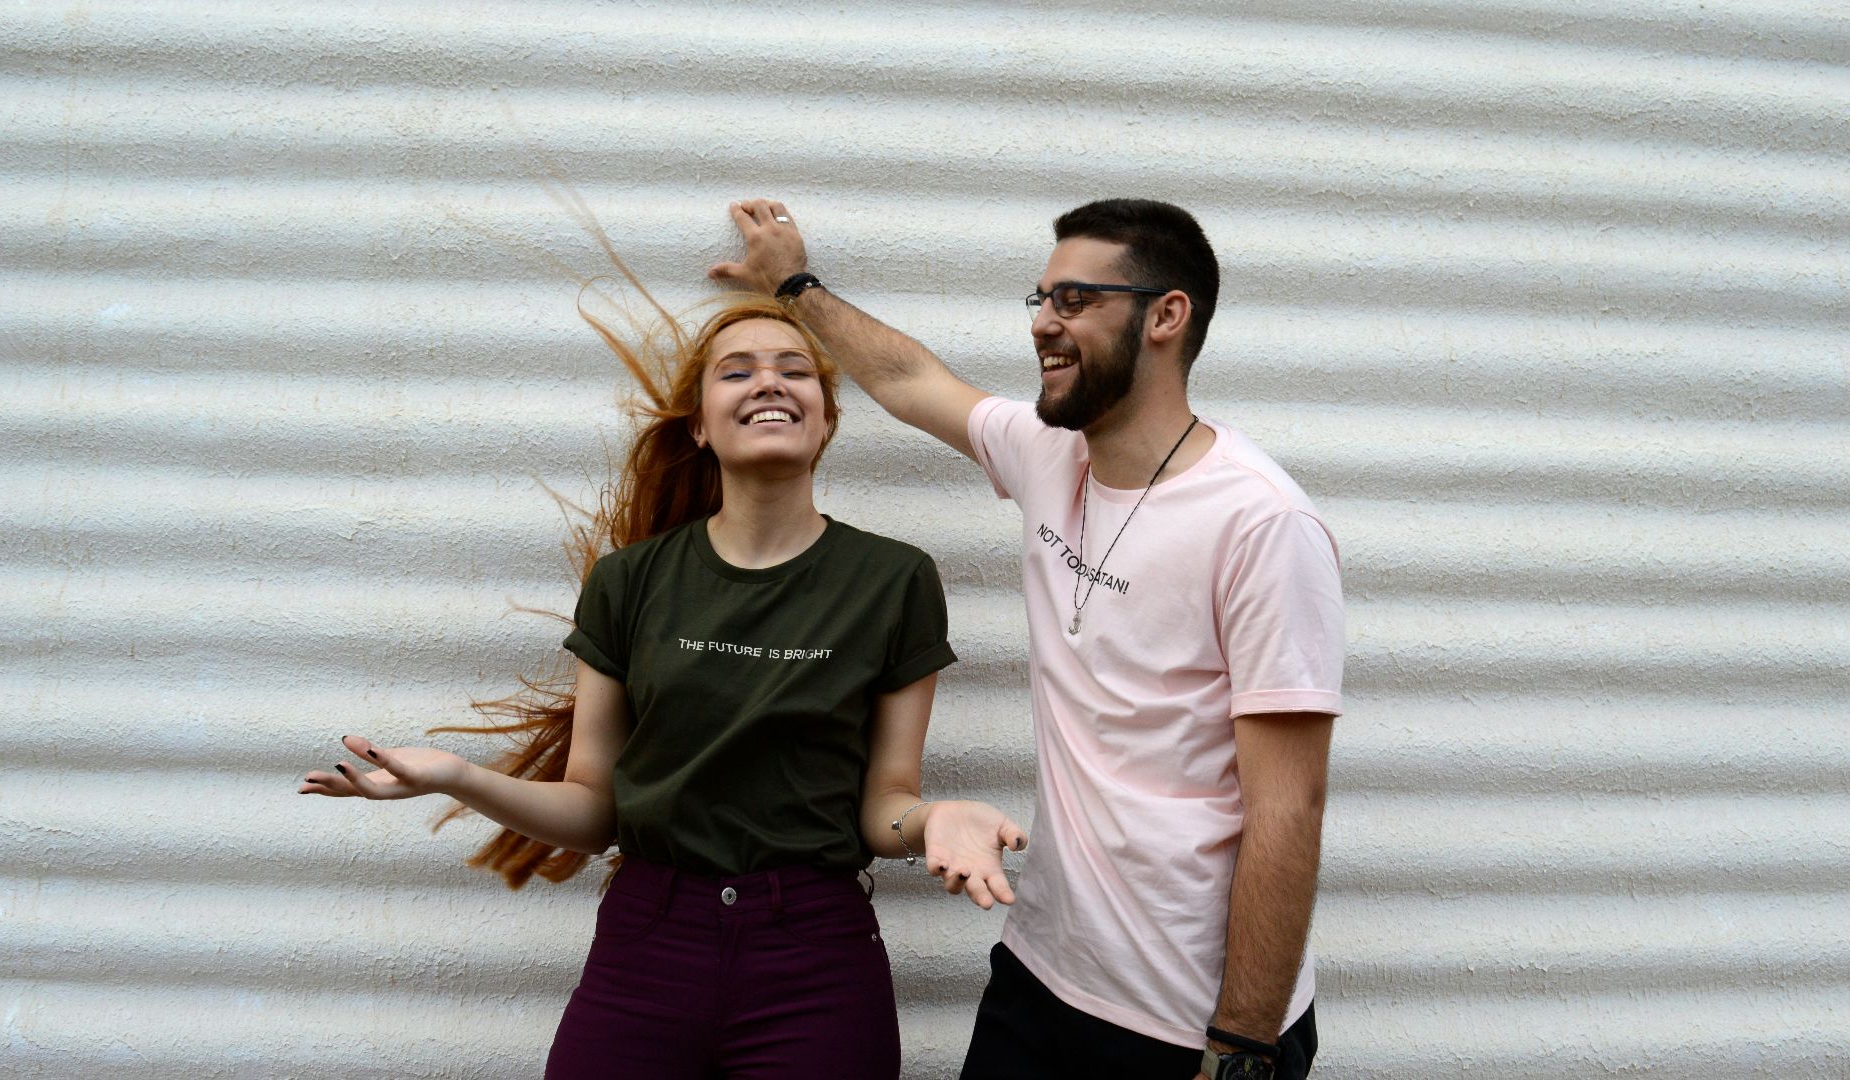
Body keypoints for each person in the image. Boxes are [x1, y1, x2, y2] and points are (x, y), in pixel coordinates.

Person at [298, 277, 1027, 1079]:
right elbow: (592, 810)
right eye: (737, 370)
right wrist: (459, 778)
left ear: (826, 418)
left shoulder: (893, 579)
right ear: (700, 427)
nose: (770, 382)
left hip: (815, 955)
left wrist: (931, 822)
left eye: (795, 368)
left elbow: (881, 804)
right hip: (647, 946)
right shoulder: (628, 582)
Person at [708, 197, 1343, 1080]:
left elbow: (1289, 809)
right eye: (1040, 299)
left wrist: (1240, 1047)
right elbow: (907, 381)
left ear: (1167, 315)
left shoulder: (1261, 523)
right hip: (1044, 974)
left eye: (1075, 300)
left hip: (1186, 1020)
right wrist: (794, 286)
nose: (1043, 323)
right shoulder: (1052, 456)